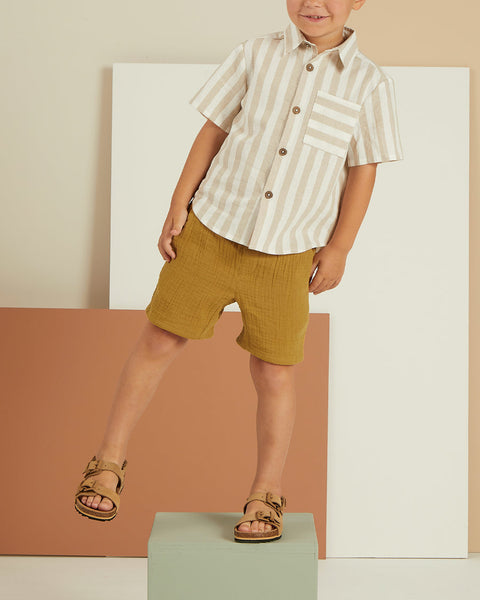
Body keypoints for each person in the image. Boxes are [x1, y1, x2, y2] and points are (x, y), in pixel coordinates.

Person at [74, 0, 404, 542]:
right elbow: (213, 131)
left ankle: (265, 494)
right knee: (159, 340)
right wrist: (178, 204)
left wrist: (340, 247)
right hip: (212, 229)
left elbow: (363, 169)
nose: (313, 3)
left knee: (274, 372)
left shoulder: (370, 83)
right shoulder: (255, 53)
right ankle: (107, 462)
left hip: (287, 252)